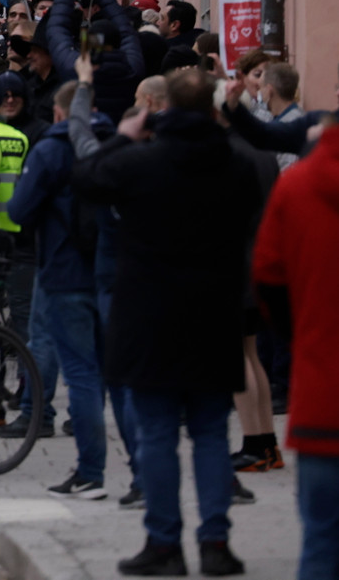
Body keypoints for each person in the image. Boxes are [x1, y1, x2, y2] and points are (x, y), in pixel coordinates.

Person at [74, 69, 263, 577]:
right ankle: (216, 542)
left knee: (156, 432)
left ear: (164, 109)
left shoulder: (140, 161)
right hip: (215, 310)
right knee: (209, 432)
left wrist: (123, 137)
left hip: (149, 313)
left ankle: (163, 543)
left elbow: (87, 180)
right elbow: (252, 218)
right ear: (212, 110)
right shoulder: (238, 165)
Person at [251, 69, 339, 580]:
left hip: (326, 403)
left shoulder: (300, 185)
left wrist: (302, 337)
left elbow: (267, 276)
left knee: (321, 548)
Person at [8, 80, 111, 499]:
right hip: (109, 271)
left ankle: (90, 470)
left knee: (78, 370)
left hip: (63, 269)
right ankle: (139, 476)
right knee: (107, 373)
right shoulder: (116, 144)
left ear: (59, 113)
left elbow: (19, 209)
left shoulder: (51, 149)